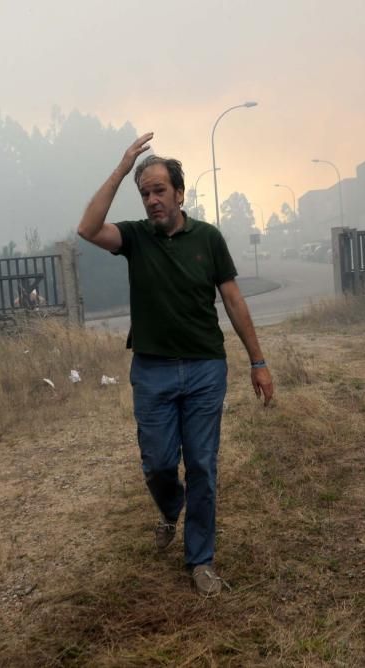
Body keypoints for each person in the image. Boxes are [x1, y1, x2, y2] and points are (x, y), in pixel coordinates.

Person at [77, 132, 275, 597]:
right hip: (152, 371)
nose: (151, 200)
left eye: (159, 190)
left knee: (203, 464)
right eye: (145, 193)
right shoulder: (135, 239)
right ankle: (170, 508)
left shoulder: (208, 238)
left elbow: (233, 300)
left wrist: (258, 361)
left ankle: (200, 560)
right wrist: (123, 168)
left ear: (180, 193)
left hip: (206, 369)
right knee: (160, 463)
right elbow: (87, 229)